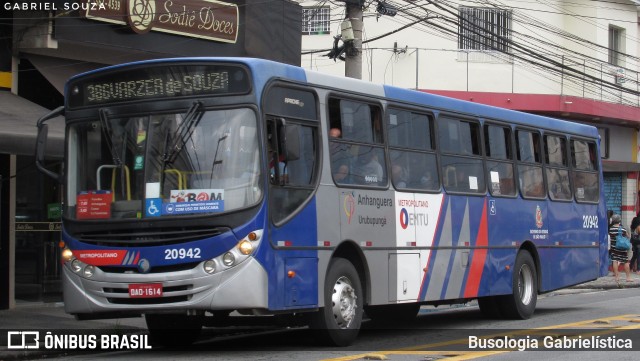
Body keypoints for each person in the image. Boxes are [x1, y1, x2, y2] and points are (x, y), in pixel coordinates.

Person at [609, 214, 632, 283]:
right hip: (622, 248)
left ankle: (617, 277)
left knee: (615, 261)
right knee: (625, 262)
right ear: (619, 220)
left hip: (614, 248)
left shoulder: (611, 229)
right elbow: (627, 236)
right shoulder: (622, 229)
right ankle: (628, 277)